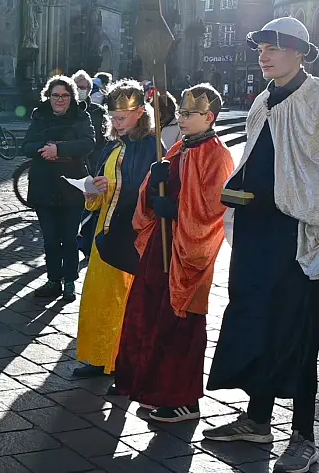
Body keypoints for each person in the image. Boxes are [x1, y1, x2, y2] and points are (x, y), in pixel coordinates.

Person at [203, 17, 319, 473]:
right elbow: (256, 158)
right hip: (257, 234)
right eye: (260, 48)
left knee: (299, 334)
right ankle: (257, 419)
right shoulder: (262, 100)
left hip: (297, 236)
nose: (264, 55)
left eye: (273, 47)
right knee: (257, 323)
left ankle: (305, 438)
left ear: (299, 52)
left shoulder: (315, 99)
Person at [111, 84, 234, 422]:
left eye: (188, 113)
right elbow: (149, 195)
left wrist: (177, 210)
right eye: (179, 112)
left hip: (187, 257)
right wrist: (153, 187)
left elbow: (214, 211)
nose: (180, 117)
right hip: (159, 251)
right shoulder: (179, 147)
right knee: (151, 317)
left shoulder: (217, 154)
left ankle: (184, 399)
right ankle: (153, 388)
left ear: (209, 117)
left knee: (182, 327)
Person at [74, 80, 159, 378]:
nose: (115, 123)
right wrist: (92, 193)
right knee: (98, 298)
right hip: (105, 235)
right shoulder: (112, 146)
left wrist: (113, 187)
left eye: (121, 118)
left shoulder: (151, 147)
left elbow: (149, 191)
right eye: (112, 117)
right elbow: (100, 189)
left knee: (125, 301)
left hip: (132, 237)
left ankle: (123, 361)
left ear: (139, 114)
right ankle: (97, 357)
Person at [22, 75, 96, 302]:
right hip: (44, 184)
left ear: (71, 97)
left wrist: (60, 149)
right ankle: (53, 279)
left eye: (64, 95)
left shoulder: (81, 116)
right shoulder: (39, 116)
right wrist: (45, 149)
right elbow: (26, 145)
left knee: (70, 237)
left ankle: (70, 281)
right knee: (50, 239)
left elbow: (88, 142)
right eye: (55, 95)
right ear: (49, 96)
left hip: (71, 185)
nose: (60, 100)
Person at [72, 70, 109, 259]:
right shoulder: (66, 110)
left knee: (90, 209)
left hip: (93, 165)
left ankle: (87, 244)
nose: (80, 90)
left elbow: (103, 140)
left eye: (84, 87)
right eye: (77, 86)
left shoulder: (97, 110)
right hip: (73, 168)